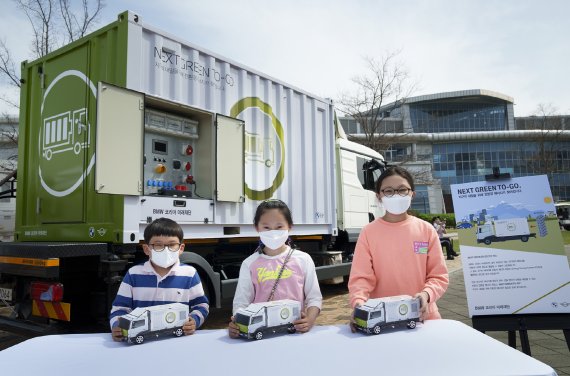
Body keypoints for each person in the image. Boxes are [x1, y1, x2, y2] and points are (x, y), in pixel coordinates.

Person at [348, 166, 449, 325]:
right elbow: (361, 278)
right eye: (388, 191)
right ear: (379, 196)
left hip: (423, 316)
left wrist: (426, 294)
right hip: (381, 317)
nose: (396, 195)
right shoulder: (369, 232)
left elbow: (438, 276)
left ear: (412, 194)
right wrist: (359, 304)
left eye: (402, 190)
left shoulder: (426, 230)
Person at [228, 199, 322, 338]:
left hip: (294, 333)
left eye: (279, 227)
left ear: (289, 227)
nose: (273, 232)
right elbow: (241, 303)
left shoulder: (303, 259)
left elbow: (314, 297)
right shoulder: (249, 264)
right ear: (257, 228)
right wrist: (238, 324)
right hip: (261, 333)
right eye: (266, 227)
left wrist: (310, 319)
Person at [110, 217, 209, 341]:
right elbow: (120, 308)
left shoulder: (189, 274)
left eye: (172, 245)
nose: (166, 250)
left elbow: (201, 305)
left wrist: (194, 320)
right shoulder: (134, 274)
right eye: (158, 245)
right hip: (143, 340)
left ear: (181, 248)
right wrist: (117, 326)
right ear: (147, 249)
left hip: (177, 340)